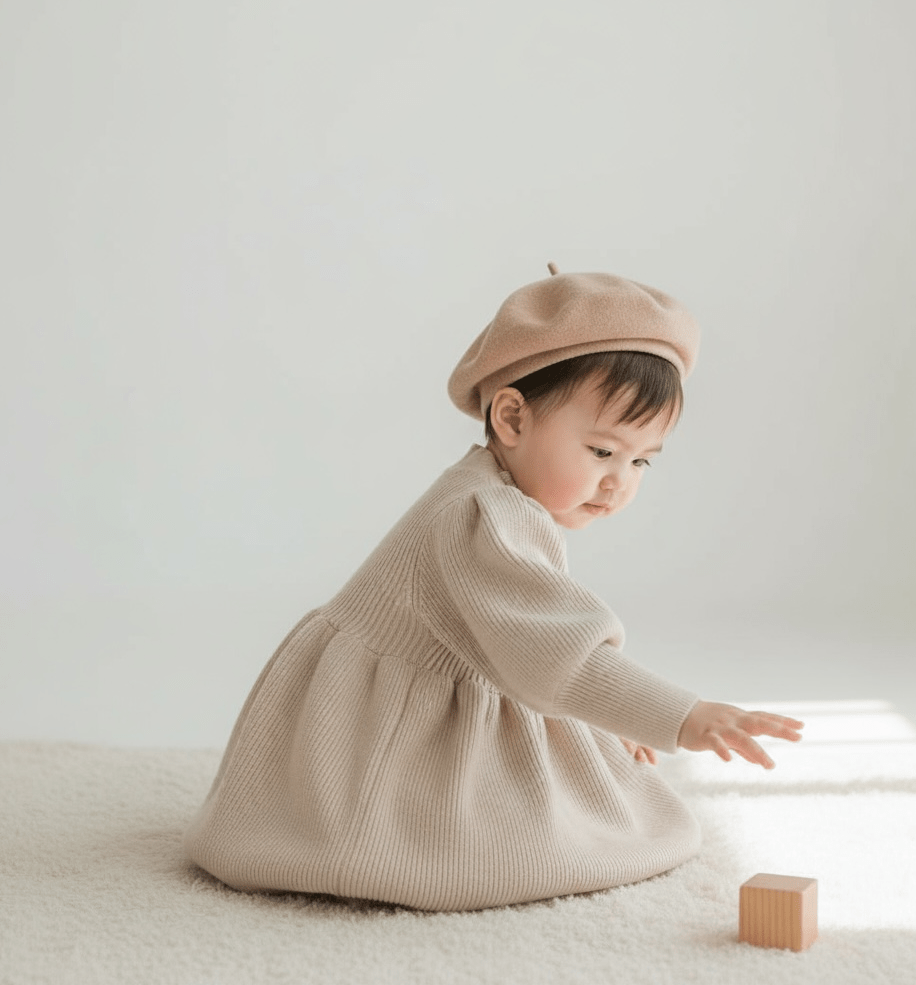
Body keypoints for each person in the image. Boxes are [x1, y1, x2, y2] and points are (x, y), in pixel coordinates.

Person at [183, 264, 804, 912]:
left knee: (608, 787)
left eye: (640, 460)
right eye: (601, 451)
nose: (620, 481)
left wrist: (609, 713)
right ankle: (359, 839)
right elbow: (562, 660)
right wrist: (686, 715)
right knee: (551, 841)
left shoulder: (491, 490)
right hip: (375, 740)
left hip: (472, 679)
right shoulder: (482, 515)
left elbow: (537, 644)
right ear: (511, 417)